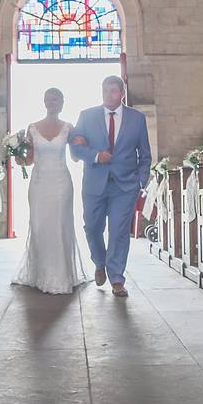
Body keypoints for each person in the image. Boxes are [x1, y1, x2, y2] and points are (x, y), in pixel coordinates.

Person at [69, 76, 152, 298]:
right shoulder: (87, 116)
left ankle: (116, 278)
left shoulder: (137, 118)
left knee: (119, 231)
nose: (108, 94)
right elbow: (75, 149)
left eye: (113, 91)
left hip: (125, 186)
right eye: (104, 90)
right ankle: (99, 261)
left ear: (122, 93)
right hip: (94, 183)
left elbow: (145, 154)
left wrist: (140, 182)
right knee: (92, 227)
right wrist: (96, 155)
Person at [12, 88, 90, 294]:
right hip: (39, 183)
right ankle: (40, 274)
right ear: (44, 102)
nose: (51, 102)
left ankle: (63, 276)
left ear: (62, 102)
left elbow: (75, 156)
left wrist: (83, 142)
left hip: (61, 184)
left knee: (60, 225)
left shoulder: (68, 127)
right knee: (39, 225)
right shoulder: (32, 128)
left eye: (55, 99)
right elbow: (27, 160)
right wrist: (17, 154)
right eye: (48, 99)